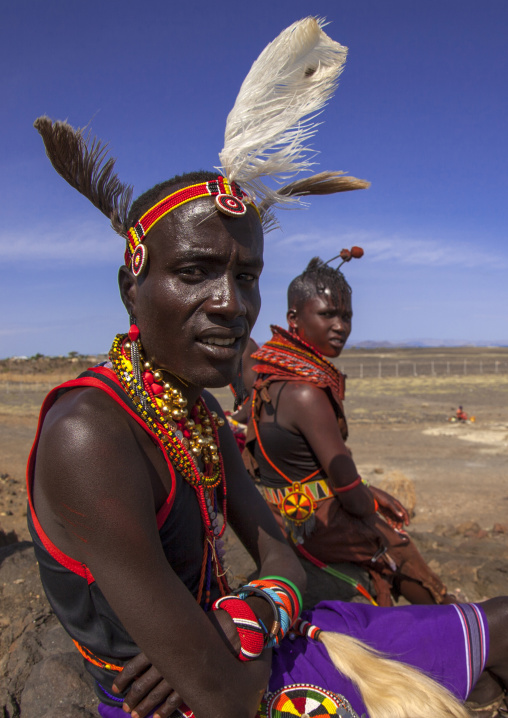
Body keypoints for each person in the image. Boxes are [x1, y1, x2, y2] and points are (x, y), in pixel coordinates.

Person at [27, 17, 508, 718]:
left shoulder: (194, 416)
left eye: (245, 276)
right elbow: (222, 695)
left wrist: (248, 611)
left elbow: (281, 556)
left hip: (244, 648)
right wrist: (231, 630)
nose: (229, 303)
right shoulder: (90, 436)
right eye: (195, 272)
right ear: (134, 287)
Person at [244, 257, 455, 607]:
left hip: (281, 514)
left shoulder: (271, 374)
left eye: (347, 317)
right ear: (293, 319)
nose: (340, 326)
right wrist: (370, 500)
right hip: (317, 527)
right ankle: (461, 632)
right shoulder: (306, 391)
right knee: (399, 548)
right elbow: (352, 498)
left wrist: (372, 491)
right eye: (328, 314)